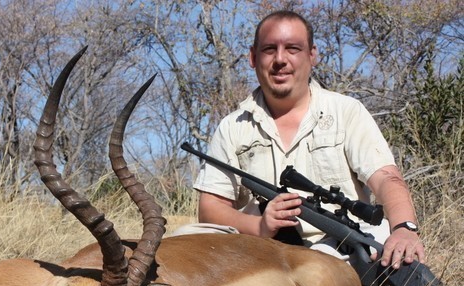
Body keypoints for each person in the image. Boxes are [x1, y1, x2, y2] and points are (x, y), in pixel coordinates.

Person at [182, 10, 425, 270]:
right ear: (253, 57)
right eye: (269, 49)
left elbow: (387, 178)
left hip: (335, 245)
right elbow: (210, 209)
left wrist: (404, 228)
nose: (280, 59)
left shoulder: (346, 111)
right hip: (260, 245)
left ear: (312, 55)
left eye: (293, 48)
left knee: (339, 253)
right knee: (181, 242)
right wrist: (260, 226)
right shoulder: (233, 126)